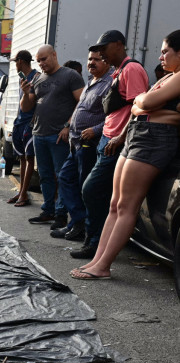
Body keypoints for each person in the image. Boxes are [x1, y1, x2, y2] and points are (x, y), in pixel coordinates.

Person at [71, 30, 180, 280]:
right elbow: (137, 107)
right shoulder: (170, 77)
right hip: (138, 133)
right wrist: (144, 103)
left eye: (165, 52)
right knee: (115, 204)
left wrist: (143, 101)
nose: (160, 57)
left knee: (127, 205)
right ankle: (97, 260)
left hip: (154, 138)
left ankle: (103, 266)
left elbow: (145, 103)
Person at [72, 30, 150, 259]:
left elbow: (139, 109)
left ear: (118, 45)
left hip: (115, 142)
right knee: (102, 194)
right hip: (107, 139)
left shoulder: (132, 69)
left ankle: (95, 242)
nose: (102, 54)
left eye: (104, 49)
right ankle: (96, 242)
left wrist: (120, 138)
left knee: (91, 189)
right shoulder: (119, 70)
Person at [20, 44, 85, 230]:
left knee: (61, 175)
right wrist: (25, 93)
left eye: (44, 59)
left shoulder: (70, 75)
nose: (41, 63)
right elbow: (26, 107)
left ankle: (60, 214)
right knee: (45, 175)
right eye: (38, 61)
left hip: (58, 136)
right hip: (39, 134)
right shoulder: (38, 79)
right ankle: (48, 210)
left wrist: (68, 126)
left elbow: (82, 103)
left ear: (54, 55)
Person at [51, 51, 112, 242]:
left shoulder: (110, 83)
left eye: (96, 59)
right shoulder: (91, 82)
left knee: (85, 187)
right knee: (65, 178)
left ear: (106, 61)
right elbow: (80, 108)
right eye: (90, 59)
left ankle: (83, 228)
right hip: (76, 143)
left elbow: (115, 116)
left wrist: (95, 130)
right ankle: (77, 222)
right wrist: (69, 126)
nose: (91, 63)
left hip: (91, 144)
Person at [7, 50, 39, 207]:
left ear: (20, 61)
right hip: (20, 122)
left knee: (29, 157)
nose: (15, 65)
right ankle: (21, 191)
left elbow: (35, 102)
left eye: (15, 62)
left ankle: (24, 194)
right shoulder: (23, 78)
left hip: (30, 123)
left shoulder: (36, 77)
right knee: (22, 158)